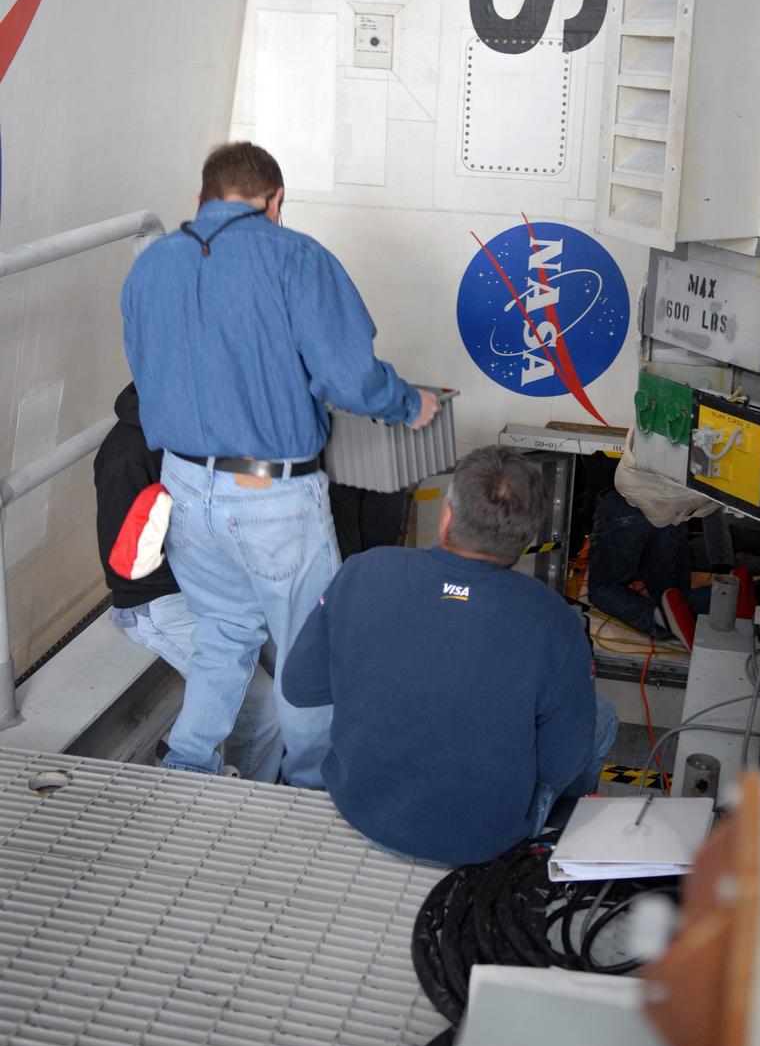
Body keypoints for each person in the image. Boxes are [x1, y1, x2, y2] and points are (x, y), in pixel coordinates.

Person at [121, 141, 438, 785]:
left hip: (181, 483)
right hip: (269, 495)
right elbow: (351, 379)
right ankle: (312, 786)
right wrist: (412, 405)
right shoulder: (297, 257)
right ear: (276, 200)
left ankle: (188, 760)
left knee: (222, 630)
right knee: (306, 649)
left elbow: (148, 367)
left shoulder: (151, 265)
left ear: (201, 198)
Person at [282, 446, 619, 868]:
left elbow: (299, 687)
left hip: (363, 810)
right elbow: (559, 762)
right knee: (601, 716)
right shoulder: (554, 620)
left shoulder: (363, 571)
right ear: (527, 537)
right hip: (483, 839)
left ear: (447, 514)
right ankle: (555, 837)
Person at [93, 382, 283, 781]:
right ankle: (250, 796)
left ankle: (266, 765)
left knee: (292, 668)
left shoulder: (197, 429)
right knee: (262, 703)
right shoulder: (126, 454)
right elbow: (127, 571)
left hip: (208, 584)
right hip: (155, 601)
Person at [587, 426, 716, 650]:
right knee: (671, 591)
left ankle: (658, 618)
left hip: (626, 501)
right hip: (671, 505)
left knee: (603, 588)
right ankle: (722, 598)